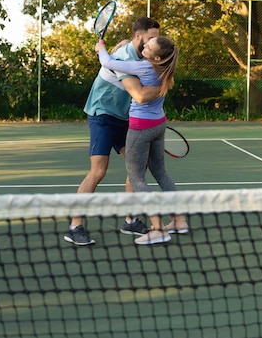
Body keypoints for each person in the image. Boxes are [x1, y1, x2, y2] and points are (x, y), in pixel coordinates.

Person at [64, 17, 161, 246]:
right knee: (98, 171)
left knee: (137, 165)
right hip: (102, 115)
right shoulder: (122, 58)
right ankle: (74, 225)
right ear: (139, 36)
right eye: (151, 38)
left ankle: (130, 219)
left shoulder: (140, 56)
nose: (155, 41)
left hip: (122, 117)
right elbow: (139, 93)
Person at [95, 36, 189, 245]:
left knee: (136, 177)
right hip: (159, 124)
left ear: (155, 57)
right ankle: (178, 221)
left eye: (148, 47)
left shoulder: (145, 67)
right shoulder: (164, 69)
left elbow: (107, 63)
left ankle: (157, 229)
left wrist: (101, 47)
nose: (143, 46)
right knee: (161, 172)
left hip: (141, 127)